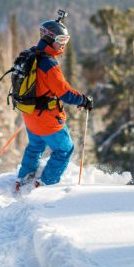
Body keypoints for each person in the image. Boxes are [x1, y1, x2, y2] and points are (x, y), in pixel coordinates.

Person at [15, 16, 93, 191]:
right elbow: (64, 92)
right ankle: (46, 183)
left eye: (66, 39)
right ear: (49, 39)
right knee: (65, 149)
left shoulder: (31, 54)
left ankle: (24, 177)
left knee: (35, 145)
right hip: (47, 119)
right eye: (60, 40)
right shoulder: (49, 64)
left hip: (30, 115)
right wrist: (83, 99)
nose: (63, 44)